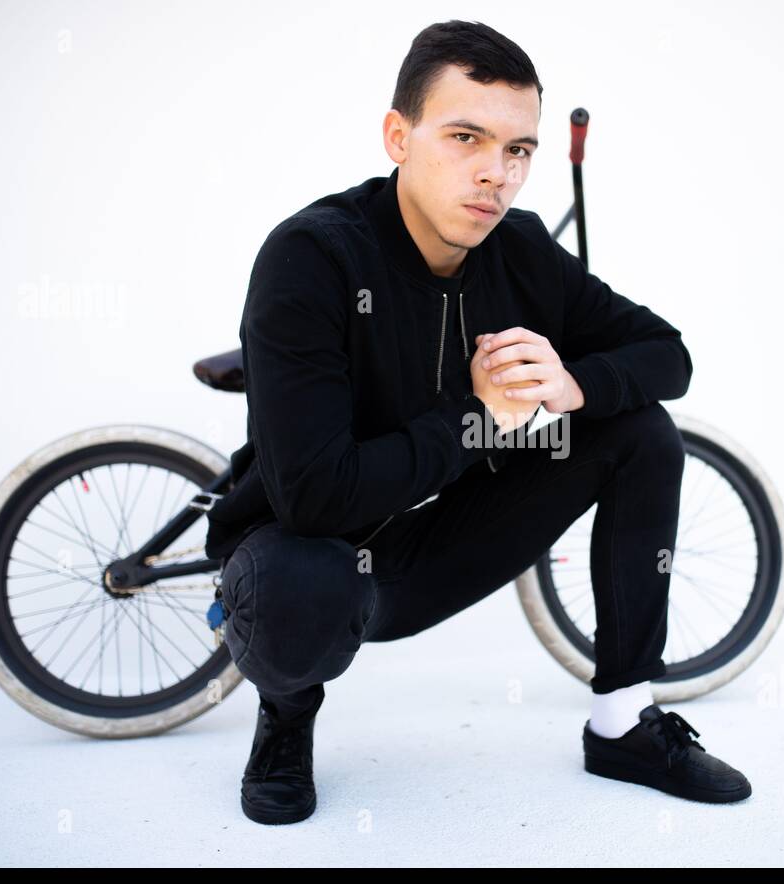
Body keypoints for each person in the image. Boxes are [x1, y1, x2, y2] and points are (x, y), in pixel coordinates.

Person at [204, 19, 751, 824]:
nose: (495, 174)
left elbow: (667, 354)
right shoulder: (313, 257)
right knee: (299, 580)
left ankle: (623, 721)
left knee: (640, 432)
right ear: (399, 135)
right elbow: (314, 499)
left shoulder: (518, 250)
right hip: (317, 551)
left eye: (519, 150)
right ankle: (286, 718)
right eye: (466, 137)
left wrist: (573, 383)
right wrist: (479, 417)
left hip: (435, 552)